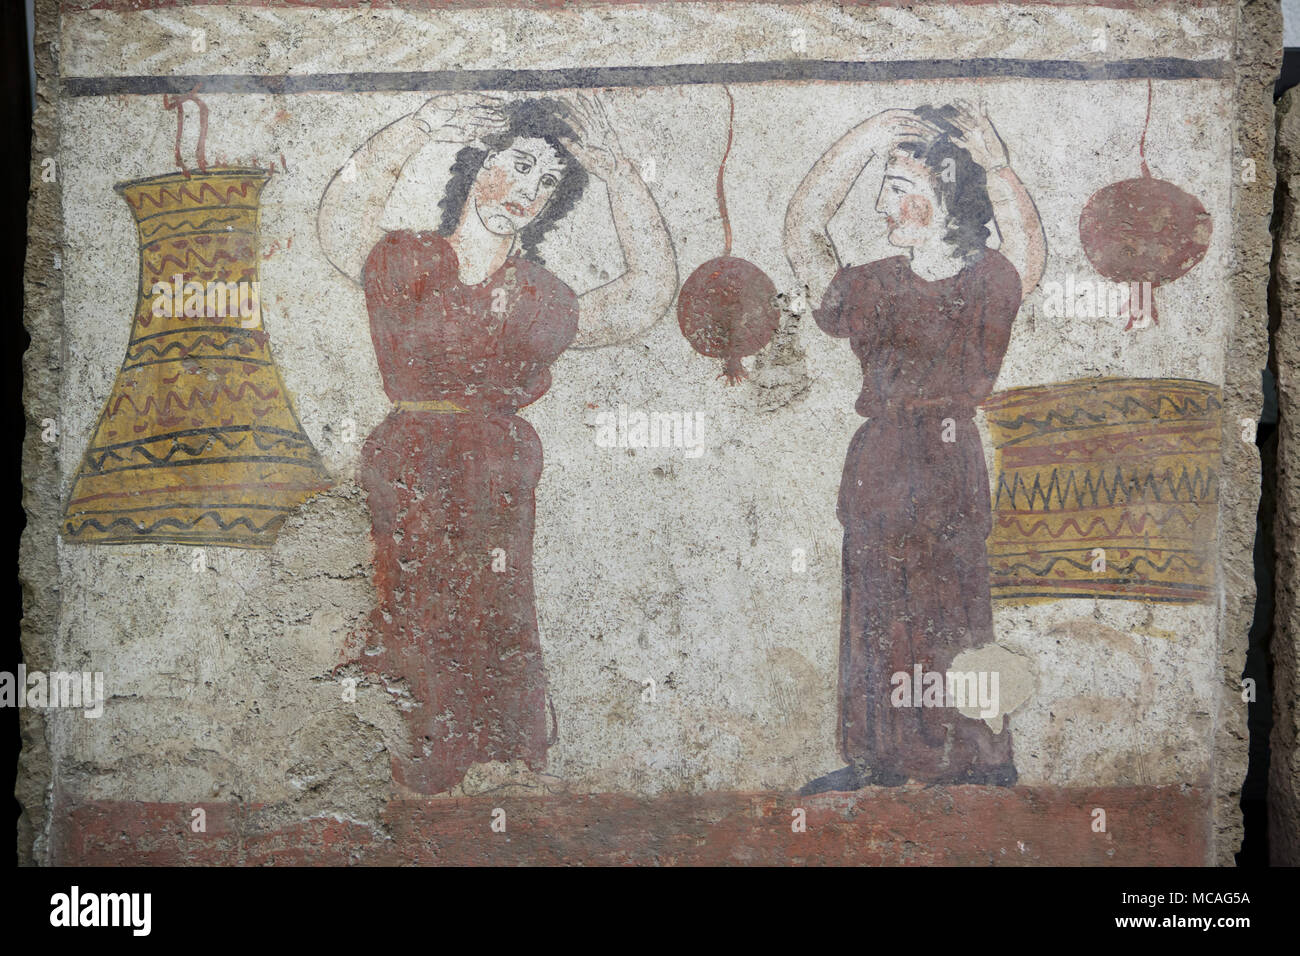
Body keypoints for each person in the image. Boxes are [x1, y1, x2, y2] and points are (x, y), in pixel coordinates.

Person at [318, 92, 677, 794]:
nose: (528, 192)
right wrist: (415, 125)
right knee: (408, 605)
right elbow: (340, 226)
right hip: (409, 464)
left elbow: (645, 295)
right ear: (475, 166)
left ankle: (496, 768)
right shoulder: (410, 259)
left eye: (546, 182)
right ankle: (408, 769)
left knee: (495, 610)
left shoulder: (538, 296)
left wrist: (623, 178)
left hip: (495, 472)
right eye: (516, 166)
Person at [784, 101, 1046, 792]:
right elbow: (805, 229)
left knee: (957, 604)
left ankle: (977, 759)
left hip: (952, 459)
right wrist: (862, 137)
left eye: (899, 188)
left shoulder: (989, 281)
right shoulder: (870, 286)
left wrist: (998, 164)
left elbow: (1028, 251)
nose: (881, 203)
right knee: (875, 606)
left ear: (947, 197)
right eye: (885, 186)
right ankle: (876, 757)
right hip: (880, 461)